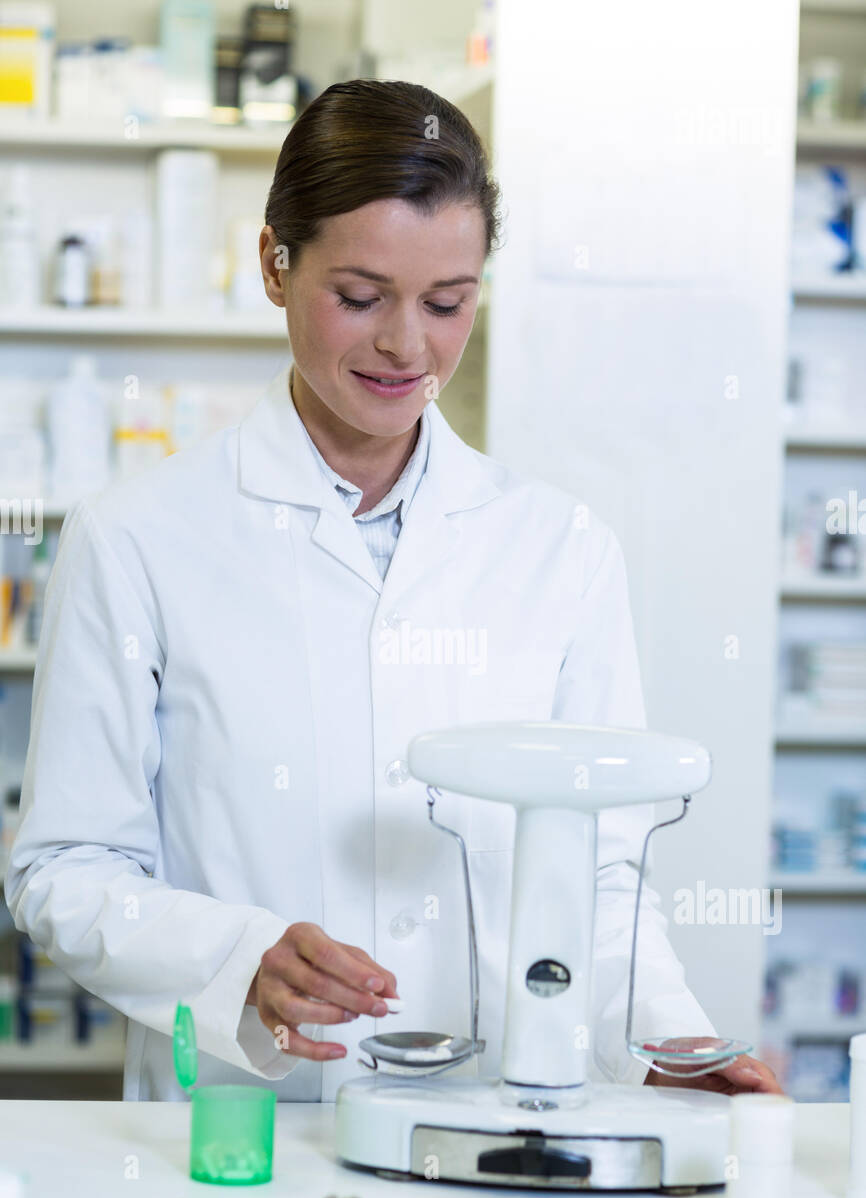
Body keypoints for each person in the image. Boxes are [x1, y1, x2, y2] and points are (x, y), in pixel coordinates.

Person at [6, 79, 780, 1100]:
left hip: (497, 1123)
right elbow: (64, 864)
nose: (406, 346)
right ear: (274, 266)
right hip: (247, 1128)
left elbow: (596, 872)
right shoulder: (138, 538)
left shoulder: (557, 548)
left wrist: (667, 1047)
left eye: (447, 302)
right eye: (360, 296)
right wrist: (237, 956)